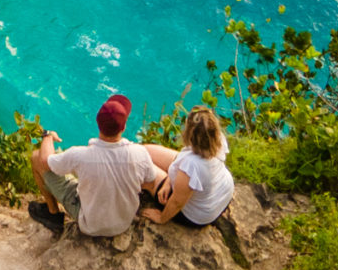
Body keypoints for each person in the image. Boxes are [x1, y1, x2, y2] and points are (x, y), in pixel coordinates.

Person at [26, 92, 162, 239]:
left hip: (90, 225)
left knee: (35, 157)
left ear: (98, 124)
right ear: (123, 128)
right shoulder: (139, 154)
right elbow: (150, 180)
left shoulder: (80, 155)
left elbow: (45, 161)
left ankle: (52, 215)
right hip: (123, 224)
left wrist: (48, 135)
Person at [141, 105, 236, 228]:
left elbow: (177, 202)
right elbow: (186, 161)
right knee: (144, 151)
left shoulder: (192, 165)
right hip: (221, 194)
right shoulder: (217, 139)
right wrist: (169, 181)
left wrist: (161, 218)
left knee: (145, 169)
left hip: (196, 215)